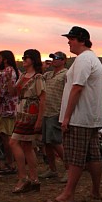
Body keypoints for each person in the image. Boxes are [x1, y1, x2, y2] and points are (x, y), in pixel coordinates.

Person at [52, 27, 102, 202]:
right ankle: (95, 191)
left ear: (82, 40)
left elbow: (77, 88)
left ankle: (68, 194)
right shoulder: (92, 58)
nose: (69, 42)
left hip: (80, 117)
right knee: (93, 155)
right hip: (90, 116)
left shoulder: (83, 59)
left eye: (72, 39)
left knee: (75, 157)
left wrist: (66, 117)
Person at [10, 49, 46, 194]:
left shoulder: (38, 77)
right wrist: (9, 81)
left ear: (33, 60)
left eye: (26, 57)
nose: (24, 59)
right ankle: (34, 179)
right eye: (23, 57)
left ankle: (23, 177)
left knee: (13, 142)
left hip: (30, 113)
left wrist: (39, 119)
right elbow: (13, 92)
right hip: (21, 112)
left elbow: (42, 99)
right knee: (27, 146)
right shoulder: (23, 75)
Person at [39, 52, 68, 181]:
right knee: (47, 142)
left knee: (56, 142)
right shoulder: (48, 75)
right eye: (53, 58)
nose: (54, 60)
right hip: (45, 111)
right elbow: (37, 79)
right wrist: (43, 67)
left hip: (56, 111)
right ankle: (52, 169)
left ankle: (69, 169)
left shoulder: (66, 74)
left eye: (57, 58)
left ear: (63, 60)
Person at [0, 50, 20, 175]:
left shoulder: (3, 74)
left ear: (5, 60)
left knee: (6, 138)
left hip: (5, 109)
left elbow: (2, 93)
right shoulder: (17, 72)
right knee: (13, 137)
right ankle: (14, 163)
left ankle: (10, 164)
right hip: (15, 108)